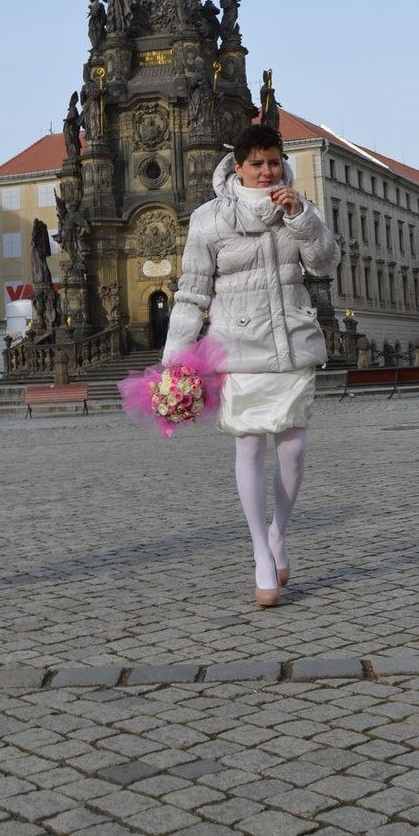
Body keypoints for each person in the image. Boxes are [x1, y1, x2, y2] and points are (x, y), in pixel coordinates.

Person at [162, 124, 340, 608]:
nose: (267, 171)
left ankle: (279, 532)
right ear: (238, 166)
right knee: (248, 447)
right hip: (237, 346)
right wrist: (175, 360)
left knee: (295, 448)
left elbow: (325, 264)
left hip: (292, 342)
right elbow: (192, 293)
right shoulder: (209, 220)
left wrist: (301, 216)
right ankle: (261, 552)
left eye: (274, 162)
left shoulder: (299, 209)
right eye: (257, 163)